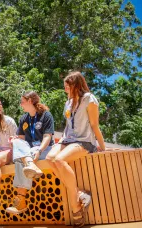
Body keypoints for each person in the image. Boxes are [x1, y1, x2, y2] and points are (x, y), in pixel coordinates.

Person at [46, 71, 106, 228]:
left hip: (83, 141)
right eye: (64, 85)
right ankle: (80, 193)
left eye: (68, 85)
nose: (65, 87)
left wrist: (103, 147)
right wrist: (62, 142)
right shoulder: (68, 102)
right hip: (67, 140)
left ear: (77, 85)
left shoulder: (89, 99)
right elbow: (68, 125)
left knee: (59, 160)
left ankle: (76, 208)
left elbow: (94, 125)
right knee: (49, 159)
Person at [5, 91, 55, 215]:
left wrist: (39, 150)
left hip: (44, 149)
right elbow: (21, 140)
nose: (21, 105)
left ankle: (20, 200)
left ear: (30, 101)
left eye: (22, 102)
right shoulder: (23, 119)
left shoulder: (46, 115)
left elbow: (47, 137)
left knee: (20, 160)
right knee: (17, 144)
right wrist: (14, 140)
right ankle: (30, 164)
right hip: (29, 153)